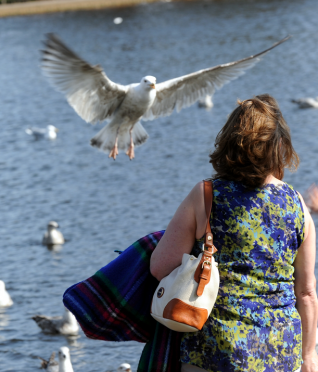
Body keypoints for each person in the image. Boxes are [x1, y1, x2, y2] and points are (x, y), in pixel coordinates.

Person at [150, 94, 318, 372]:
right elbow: (308, 292)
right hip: (280, 350)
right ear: (279, 147)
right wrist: (309, 356)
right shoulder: (298, 204)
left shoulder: (206, 195)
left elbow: (161, 267)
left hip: (215, 348)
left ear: (229, 141)